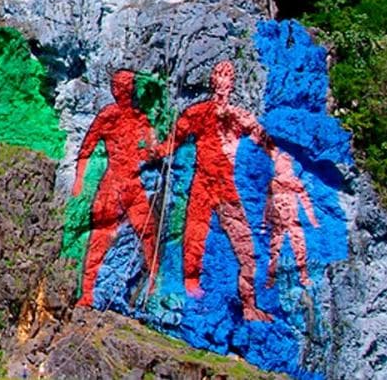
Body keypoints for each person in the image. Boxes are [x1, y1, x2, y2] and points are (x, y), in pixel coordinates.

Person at [167, 60, 275, 321]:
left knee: (246, 247)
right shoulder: (198, 112)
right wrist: (152, 151)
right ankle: (190, 285)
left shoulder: (239, 117)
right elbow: (173, 140)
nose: (224, 79)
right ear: (212, 80)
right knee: (194, 235)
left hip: (226, 186)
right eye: (219, 74)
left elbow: (265, 141)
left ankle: (249, 304)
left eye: (229, 75)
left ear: (233, 83)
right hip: (203, 183)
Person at [73, 70, 160, 308]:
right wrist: (79, 180)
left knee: (148, 231)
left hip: (133, 183)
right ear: (115, 89)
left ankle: (153, 284)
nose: (125, 90)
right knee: (100, 236)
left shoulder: (140, 118)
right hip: (113, 183)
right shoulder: (108, 115)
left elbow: (151, 151)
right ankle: (87, 292)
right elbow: (87, 148)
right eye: (121, 86)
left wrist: (157, 147)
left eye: (128, 86)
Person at [265, 149, 318, 287]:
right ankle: (270, 279)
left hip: (292, 221)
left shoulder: (294, 182)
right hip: (279, 221)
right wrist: (265, 223)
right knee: (275, 250)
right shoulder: (274, 183)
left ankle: (303, 277)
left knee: (299, 248)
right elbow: (268, 204)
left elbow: (306, 201)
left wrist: (313, 221)